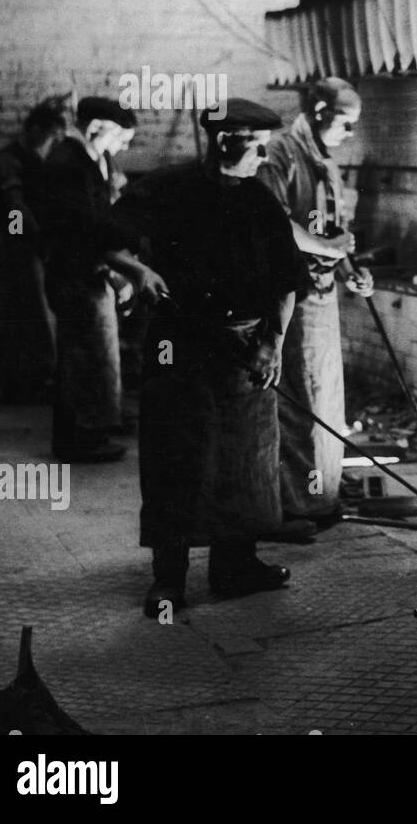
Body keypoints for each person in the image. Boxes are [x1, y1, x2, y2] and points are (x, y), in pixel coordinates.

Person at [113, 99, 310, 618]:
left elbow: (289, 281)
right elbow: (99, 236)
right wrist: (137, 271)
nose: (262, 156)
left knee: (246, 465)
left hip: (246, 352)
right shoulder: (168, 190)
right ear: (227, 141)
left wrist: (274, 343)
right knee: (175, 461)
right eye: (254, 146)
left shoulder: (261, 201)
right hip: (179, 348)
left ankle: (235, 567)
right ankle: (168, 580)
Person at [257, 79, 373, 538]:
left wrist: (348, 269)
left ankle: (321, 493)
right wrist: (326, 247)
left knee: (326, 399)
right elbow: (274, 224)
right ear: (321, 110)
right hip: (294, 293)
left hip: (324, 293)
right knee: (300, 400)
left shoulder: (326, 162)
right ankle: (291, 504)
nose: (350, 131)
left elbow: (333, 229)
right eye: (345, 121)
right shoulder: (280, 153)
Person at [36, 97, 166, 462]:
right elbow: (84, 226)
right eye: (120, 137)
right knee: (82, 357)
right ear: (95, 128)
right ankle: (79, 440)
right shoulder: (67, 163)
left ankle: (90, 431)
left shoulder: (94, 159)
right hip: (74, 273)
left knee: (93, 356)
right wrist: (126, 266)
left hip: (90, 271)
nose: (124, 146)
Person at [0, 98, 67, 403]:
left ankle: (34, 377)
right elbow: (13, 208)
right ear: (33, 130)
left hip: (34, 244)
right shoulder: (8, 160)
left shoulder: (40, 160)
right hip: (17, 245)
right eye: (49, 139)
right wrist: (29, 240)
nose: (51, 146)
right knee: (34, 311)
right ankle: (35, 377)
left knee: (39, 312)